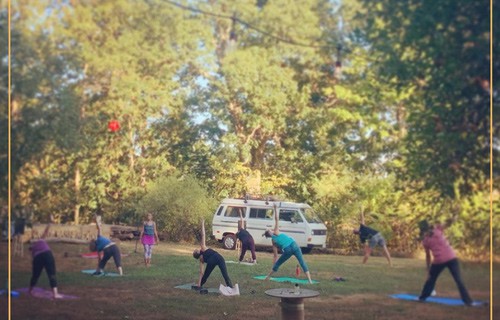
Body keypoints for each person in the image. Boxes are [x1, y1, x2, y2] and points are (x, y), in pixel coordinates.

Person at [417, 219, 473, 305]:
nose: (426, 232)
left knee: (458, 279)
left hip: (451, 258)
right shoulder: (425, 241)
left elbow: (447, 223)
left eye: (426, 230)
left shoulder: (437, 229)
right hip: (438, 261)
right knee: (431, 279)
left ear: (429, 228)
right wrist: (428, 269)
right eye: (424, 231)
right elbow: (428, 256)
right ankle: (422, 297)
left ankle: (468, 301)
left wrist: (453, 217)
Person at [263, 203, 313, 284]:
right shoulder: (276, 232)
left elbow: (275, 256)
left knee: (279, 263)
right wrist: (275, 208)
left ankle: (268, 277)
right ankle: (310, 281)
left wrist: (274, 266)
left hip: (287, 250)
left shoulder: (273, 241)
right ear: (270, 231)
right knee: (302, 262)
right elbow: (276, 219)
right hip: (294, 245)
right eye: (269, 229)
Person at [192, 218, 235, 291]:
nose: (196, 249)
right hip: (218, 258)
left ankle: (200, 285)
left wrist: (199, 284)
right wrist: (202, 223)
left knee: (206, 274)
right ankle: (230, 287)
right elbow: (203, 235)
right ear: (197, 252)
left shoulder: (201, 260)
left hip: (212, 261)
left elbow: (201, 273)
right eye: (195, 250)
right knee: (225, 275)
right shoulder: (202, 248)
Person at [29, 215, 63, 299]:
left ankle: (30, 290)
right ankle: (55, 294)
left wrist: (50, 222)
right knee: (51, 274)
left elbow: (34, 261)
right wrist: (50, 222)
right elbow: (46, 231)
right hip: (47, 255)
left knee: (35, 275)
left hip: (38, 258)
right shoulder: (41, 240)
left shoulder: (34, 249)